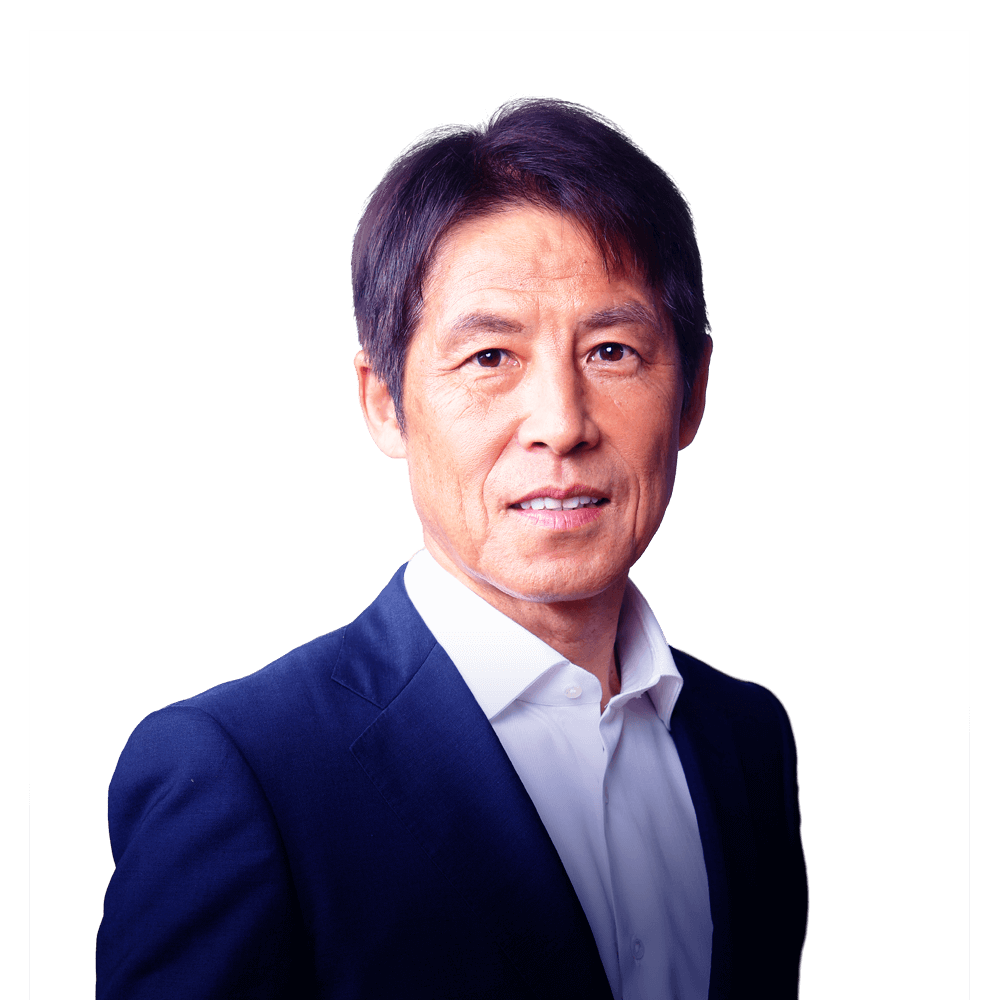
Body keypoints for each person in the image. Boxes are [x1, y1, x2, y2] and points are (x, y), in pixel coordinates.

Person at [97, 96, 808, 999]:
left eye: (613, 351)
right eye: (489, 358)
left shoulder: (746, 739)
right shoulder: (240, 773)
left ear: (694, 394)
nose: (561, 424)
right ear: (383, 403)